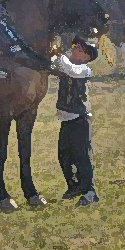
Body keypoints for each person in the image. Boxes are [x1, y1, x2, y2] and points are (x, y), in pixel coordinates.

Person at [51, 37, 100, 206]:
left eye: (79, 49)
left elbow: (70, 69)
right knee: (64, 155)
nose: (74, 49)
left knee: (82, 157)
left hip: (80, 119)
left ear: (87, 56)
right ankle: (74, 186)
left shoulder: (84, 69)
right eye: (75, 47)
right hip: (67, 119)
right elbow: (55, 65)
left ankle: (90, 191)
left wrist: (58, 52)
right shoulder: (67, 65)